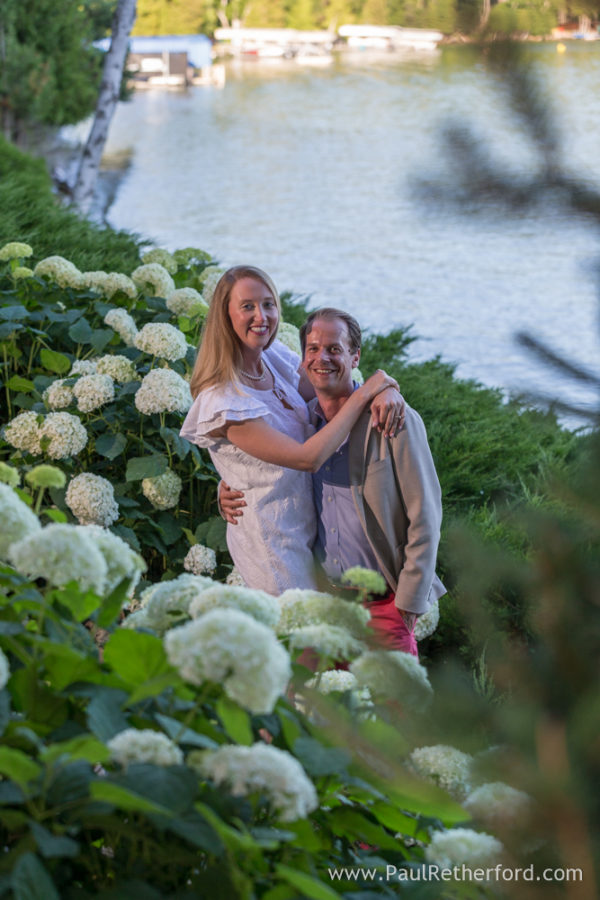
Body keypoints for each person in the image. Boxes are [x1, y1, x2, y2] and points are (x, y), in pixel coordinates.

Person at [220, 307, 446, 656]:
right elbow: (264, 474)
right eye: (313, 349)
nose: (321, 358)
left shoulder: (393, 420)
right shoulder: (299, 426)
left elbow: (426, 516)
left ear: (355, 357)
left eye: (334, 349)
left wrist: (407, 605)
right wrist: (225, 490)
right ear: (303, 358)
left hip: (384, 607)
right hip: (320, 605)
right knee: (316, 693)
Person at [180, 266, 402, 596]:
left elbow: (330, 386)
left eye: (268, 304)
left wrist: (384, 390)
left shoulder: (273, 360)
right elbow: (306, 458)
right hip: (273, 545)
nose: (261, 316)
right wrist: (367, 391)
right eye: (247, 306)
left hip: (311, 530)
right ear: (225, 316)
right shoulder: (223, 399)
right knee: (297, 625)